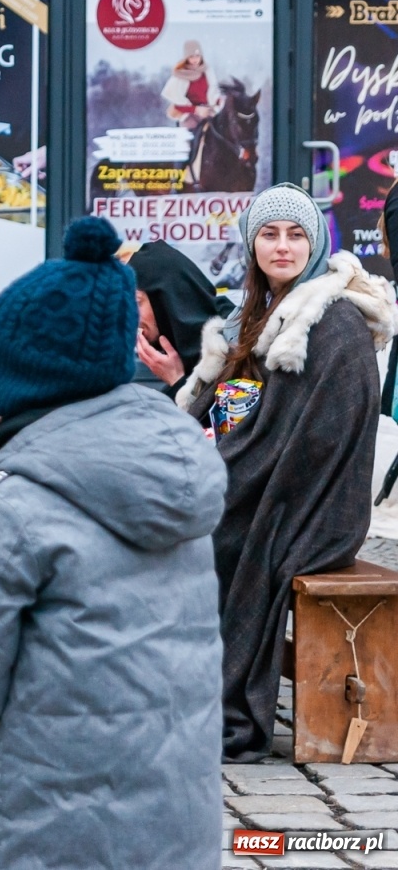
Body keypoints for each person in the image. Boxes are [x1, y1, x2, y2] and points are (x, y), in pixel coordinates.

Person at [0, 217, 226, 869]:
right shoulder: (177, 473)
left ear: (21, 378)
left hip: (49, 829)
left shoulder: (11, 497)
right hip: (178, 825)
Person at [176, 183, 397, 761]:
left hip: (310, 503)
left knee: (207, 535)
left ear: (315, 242)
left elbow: (309, 443)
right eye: (269, 235)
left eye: (296, 235)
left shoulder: (331, 322)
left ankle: (209, 700)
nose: (282, 247)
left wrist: (217, 465)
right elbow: (236, 409)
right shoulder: (257, 312)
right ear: (252, 246)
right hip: (259, 479)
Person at [127, 239, 232, 396]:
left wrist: (177, 381)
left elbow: (231, 416)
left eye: (137, 302)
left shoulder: (236, 344)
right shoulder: (186, 356)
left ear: (165, 299)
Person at [162, 39, 222, 131]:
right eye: (191, 57)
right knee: (191, 134)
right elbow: (178, 103)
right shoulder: (180, 75)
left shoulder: (208, 72)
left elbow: (213, 93)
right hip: (189, 115)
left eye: (197, 56)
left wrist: (220, 101)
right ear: (187, 58)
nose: (195, 60)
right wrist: (196, 110)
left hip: (207, 111)